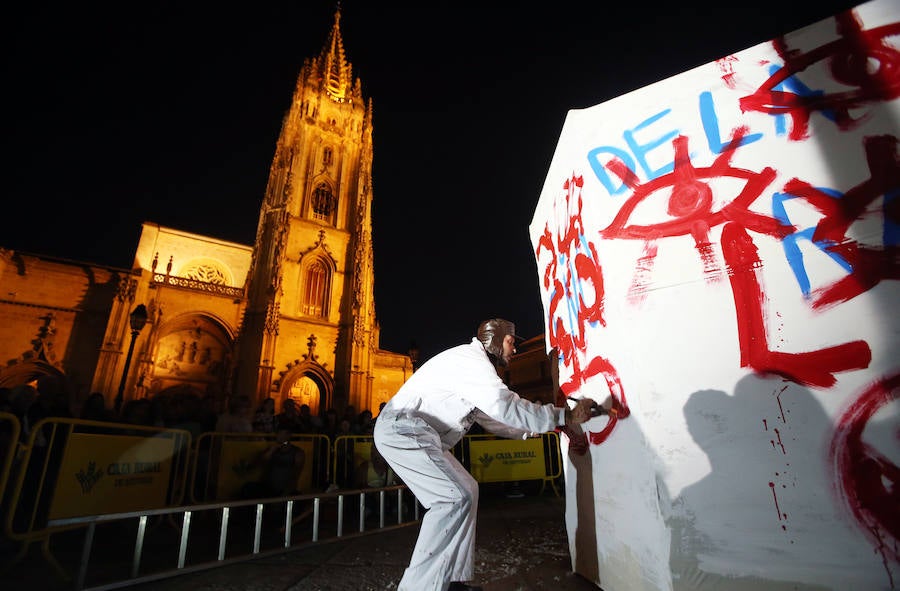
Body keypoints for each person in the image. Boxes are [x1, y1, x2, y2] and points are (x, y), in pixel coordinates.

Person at [373, 318, 597, 591]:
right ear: (495, 338)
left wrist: (535, 430)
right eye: (511, 342)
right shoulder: (472, 362)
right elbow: (504, 404)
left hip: (417, 433)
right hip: (403, 429)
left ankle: (451, 580)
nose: (514, 350)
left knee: (466, 489)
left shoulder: (474, 371)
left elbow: (493, 419)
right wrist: (565, 414)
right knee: (453, 498)